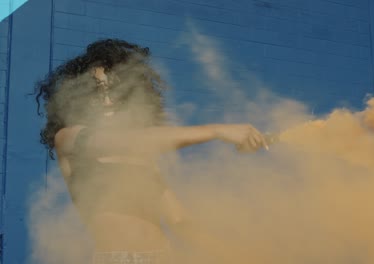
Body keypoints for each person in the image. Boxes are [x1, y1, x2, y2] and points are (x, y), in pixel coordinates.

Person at [35, 38, 268, 263]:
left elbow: (179, 222)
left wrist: (240, 256)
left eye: (114, 91)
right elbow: (128, 141)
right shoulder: (68, 138)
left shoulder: (141, 156)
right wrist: (216, 131)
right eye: (97, 92)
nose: (107, 101)